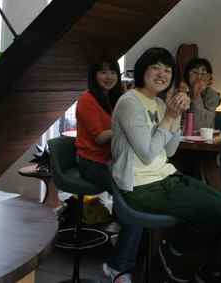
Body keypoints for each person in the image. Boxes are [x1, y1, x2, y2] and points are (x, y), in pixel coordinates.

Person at [110, 47, 221, 283]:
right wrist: (168, 116)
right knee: (219, 211)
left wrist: (176, 116)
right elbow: (147, 155)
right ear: (143, 70)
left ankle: (174, 254)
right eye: (155, 67)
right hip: (140, 185)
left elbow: (169, 151)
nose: (162, 74)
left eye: (167, 70)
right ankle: (174, 256)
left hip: (165, 177)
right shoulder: (130, 102)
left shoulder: (157, 102)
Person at [75, 58, 141, 283]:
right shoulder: (86, 99)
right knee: (134, 206)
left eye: (113, 72)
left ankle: (125, 252)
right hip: (92, 162)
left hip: (114, 161)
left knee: (141, 197)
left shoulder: (115, 98)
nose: (109, 76)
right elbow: (100, 137)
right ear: (94, 76)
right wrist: (127, 127)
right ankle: (118, 267)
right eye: (103, 72)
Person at [181, 58, 221, 131]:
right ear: (187, 75)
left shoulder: (212, 96)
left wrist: (196, 95)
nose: (199, 77)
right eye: (194, 72)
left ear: (209, 78)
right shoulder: (181, 92)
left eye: (203, 74)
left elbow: (200, 126)